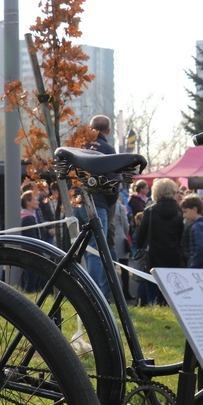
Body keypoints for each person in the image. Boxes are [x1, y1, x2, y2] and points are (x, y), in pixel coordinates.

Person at [84, 114, 118, 301]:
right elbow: (114, 182)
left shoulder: (78, 147)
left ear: (90, 128)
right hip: (98, 204)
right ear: (109, 131)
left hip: (76, 203)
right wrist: (108, 203)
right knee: (96, 251)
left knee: (78, 247)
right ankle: (94, 294)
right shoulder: (107, 150)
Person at [133, 178, 183, 306]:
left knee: (153, 290)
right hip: (174, 255)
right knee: (170, 291)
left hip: (153, 255)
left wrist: (140, 246)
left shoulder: (150, 211)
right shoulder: (179, 212)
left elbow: (140, 236)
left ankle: (155, 309)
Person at [114, 196, 134, 300]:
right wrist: (125, 235)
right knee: (124, 267)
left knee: (110, 267)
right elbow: (126, 224)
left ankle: (112, 292)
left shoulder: (106, 207)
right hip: (120, 237)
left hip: (109, 238)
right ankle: (126, 292)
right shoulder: (120, 207)